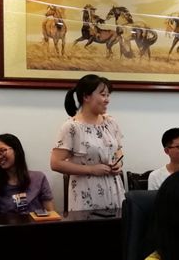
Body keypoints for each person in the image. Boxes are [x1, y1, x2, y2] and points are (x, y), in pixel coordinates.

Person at [50, 74, 125, 211]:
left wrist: (118, 164)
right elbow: (56, 163)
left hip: (114, 191)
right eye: (103, 95)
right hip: (86, 194)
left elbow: (118, 150)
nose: (107, 100)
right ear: (86, 97)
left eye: (108, 95)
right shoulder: (71, 127)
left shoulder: (110, 122)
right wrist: (91, 169)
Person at [0, 133, 55, 217]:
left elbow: (51, 214)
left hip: (37, 225)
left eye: (2, 151)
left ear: (16, 151)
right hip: (8, 225)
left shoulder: (39, 178)